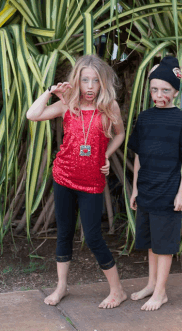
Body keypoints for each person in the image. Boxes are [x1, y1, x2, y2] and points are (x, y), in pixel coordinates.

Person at [26, 54, 127, 309]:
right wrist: (50, 92)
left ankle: (118, 290)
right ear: (77, 82)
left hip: (92, 182)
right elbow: (32, 114)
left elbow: (120, 134)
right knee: (65, 232)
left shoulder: (109, 107)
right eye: (85, 80)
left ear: (103, 82)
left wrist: (106, 153)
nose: (90, 87)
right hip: (64, 177)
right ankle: (61, 287)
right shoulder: (68, 104)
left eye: (95, 80)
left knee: (93, 237)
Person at [128, 56, 182, 311]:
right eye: (154, 89)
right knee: (150, 242)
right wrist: (135, 189)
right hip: (146, 190)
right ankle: (150, 284)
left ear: (176, 91)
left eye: (166, 90)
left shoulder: (181, 121)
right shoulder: (145, 118)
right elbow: (138, 156)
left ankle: (161, 292)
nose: (159, 95)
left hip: (168, 193)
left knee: (164, 246)